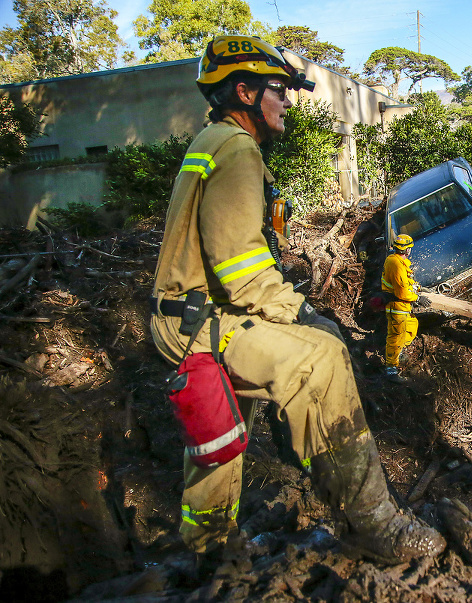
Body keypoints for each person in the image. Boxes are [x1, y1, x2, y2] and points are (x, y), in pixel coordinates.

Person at [149, 35, 444, 565]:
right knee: (321, 357)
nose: (287, 101)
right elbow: (239, 268)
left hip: (184, 315)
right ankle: (375, 524)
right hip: (200, 322)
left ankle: (206, 547)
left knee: (222, 426)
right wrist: (305, 314)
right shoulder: (237, 150)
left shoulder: (211, 140)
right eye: (277, 91)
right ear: (244, 92)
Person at [381, 234, 430, 383]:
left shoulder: (398, 262)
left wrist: (419, 288)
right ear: (407, 250)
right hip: (397, 306)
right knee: (395, 337)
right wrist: (417, 298)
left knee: (412, 326)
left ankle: (398, 352)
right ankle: (391, 369)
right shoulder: (395, 264)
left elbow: (405, 282)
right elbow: (401, 291)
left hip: (403, 306)